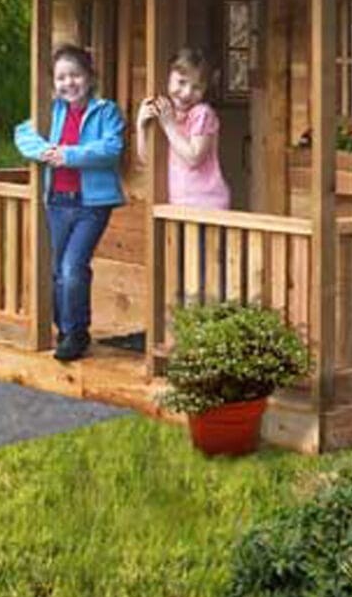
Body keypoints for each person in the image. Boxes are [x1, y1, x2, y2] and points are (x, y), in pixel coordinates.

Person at [14, 43, 125, 362]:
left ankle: (76, 333)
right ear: (54, 83)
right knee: (56, 270)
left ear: (89, 78)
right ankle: (65, 329)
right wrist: (44, 150)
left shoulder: (106, 111)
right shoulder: (53, 111)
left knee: (72, 268)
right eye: (62, 78)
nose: (69, 83)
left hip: (92, 205)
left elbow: (111, 148)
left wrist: (70, 155)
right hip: (58, 203)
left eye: (75, 75)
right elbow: (22, 133)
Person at [135, 47, 231, 211]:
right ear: (168, 77)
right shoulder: (167, 112)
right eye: (181, 82)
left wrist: (169, 126)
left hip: (206, 205)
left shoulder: (202, 113)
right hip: (178, 205)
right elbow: (147, 159)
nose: (187, 93)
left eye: (196, 87)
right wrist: (141, 125)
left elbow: (194, 157)